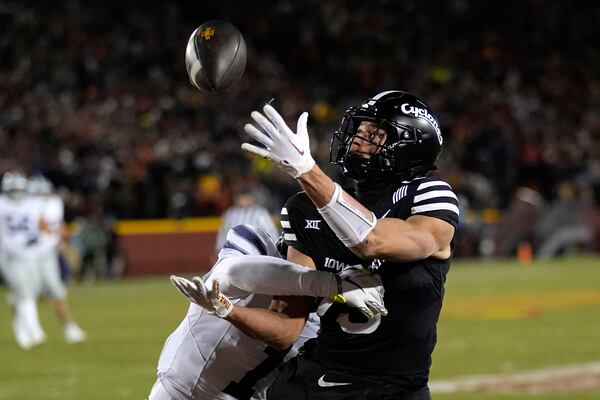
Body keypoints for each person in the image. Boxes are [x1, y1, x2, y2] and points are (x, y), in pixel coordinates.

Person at [202, 90, 459, 399]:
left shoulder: (428, 194)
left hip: (392, 389)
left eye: (374, 134)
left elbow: (373, 240)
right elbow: (286, 328)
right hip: (315, 380)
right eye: (359, 131)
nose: (358, 140)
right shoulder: (305, 209)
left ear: (411, 147)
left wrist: (306, 171)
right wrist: (228, 310)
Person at [148, 223, 386, 400]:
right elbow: (233, 273)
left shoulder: (312, 324)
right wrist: (330, 283)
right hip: (178, 389)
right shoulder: (258, 247)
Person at [27, 175, 86, 343]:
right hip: (29, 255)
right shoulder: (27, 206)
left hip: (47, 254)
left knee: (56, 290)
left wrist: (62, 238)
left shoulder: (54, 202)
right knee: (33, 293)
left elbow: (57, 224)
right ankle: (28, 324)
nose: (42, 196)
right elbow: (41, 225)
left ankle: (69, 327)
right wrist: (57, 236)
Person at [0, 171, 46, 349]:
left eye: (20, 189)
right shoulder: (2, 205)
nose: (17, 192)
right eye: (14, 189)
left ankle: (19, 326)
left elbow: (39, 225)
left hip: (30, 254)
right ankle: (34, 331)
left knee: (32, 291)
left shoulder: (32, 204)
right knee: (25, 292)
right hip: (10, 255)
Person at [214, 187, 279, 258]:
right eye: (241, 198)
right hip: (234, 250)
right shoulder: (230, 213)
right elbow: (223, 233)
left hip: (254, 250)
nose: (244, 200)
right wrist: (219, 250)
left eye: (246, 197)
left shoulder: (260, 213)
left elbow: (270, 231)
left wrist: (275, 249)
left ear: (251, 198)